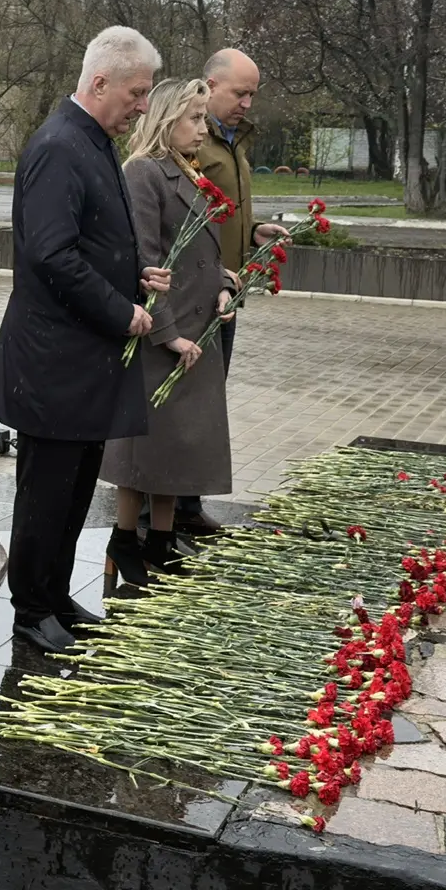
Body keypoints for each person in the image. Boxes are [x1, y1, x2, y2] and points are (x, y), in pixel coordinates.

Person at [0, 26, 172, 655]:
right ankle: (31, 610)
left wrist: (132, 273)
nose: (144, 105)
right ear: (99, 83)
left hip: (80, 361)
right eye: (137, 92)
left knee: (75, 488)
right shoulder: (60, 145)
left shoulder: (91, 140)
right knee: (46, 494)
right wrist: (124, 312)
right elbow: (51, 254)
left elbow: (85, 241)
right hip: (54, 361)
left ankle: (55, 596)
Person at [100, 79, 235, 587]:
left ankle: (158, 541)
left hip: (197, 326)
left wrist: (223, 285)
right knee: (143, 450)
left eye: (203, 118)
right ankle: (123, 538)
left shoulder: (187, 170)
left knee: (172, 449)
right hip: (162, 334)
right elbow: (147, 260)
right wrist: (170, 334)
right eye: (194, 118)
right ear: (165, 119)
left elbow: (204, 251)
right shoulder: (143, 172)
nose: (204, 128)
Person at [163, 47, 286, 536]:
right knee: (182, 406)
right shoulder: (190, 142)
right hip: (194, 296)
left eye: (253, 94)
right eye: (240, 92)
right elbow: (177, 220)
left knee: (205, 405)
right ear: (210, 85)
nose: (248, 103)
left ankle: (186, 509)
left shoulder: (233, 143)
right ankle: (161, 512)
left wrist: (253, 230)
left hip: (225, 295)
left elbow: (220, 216)